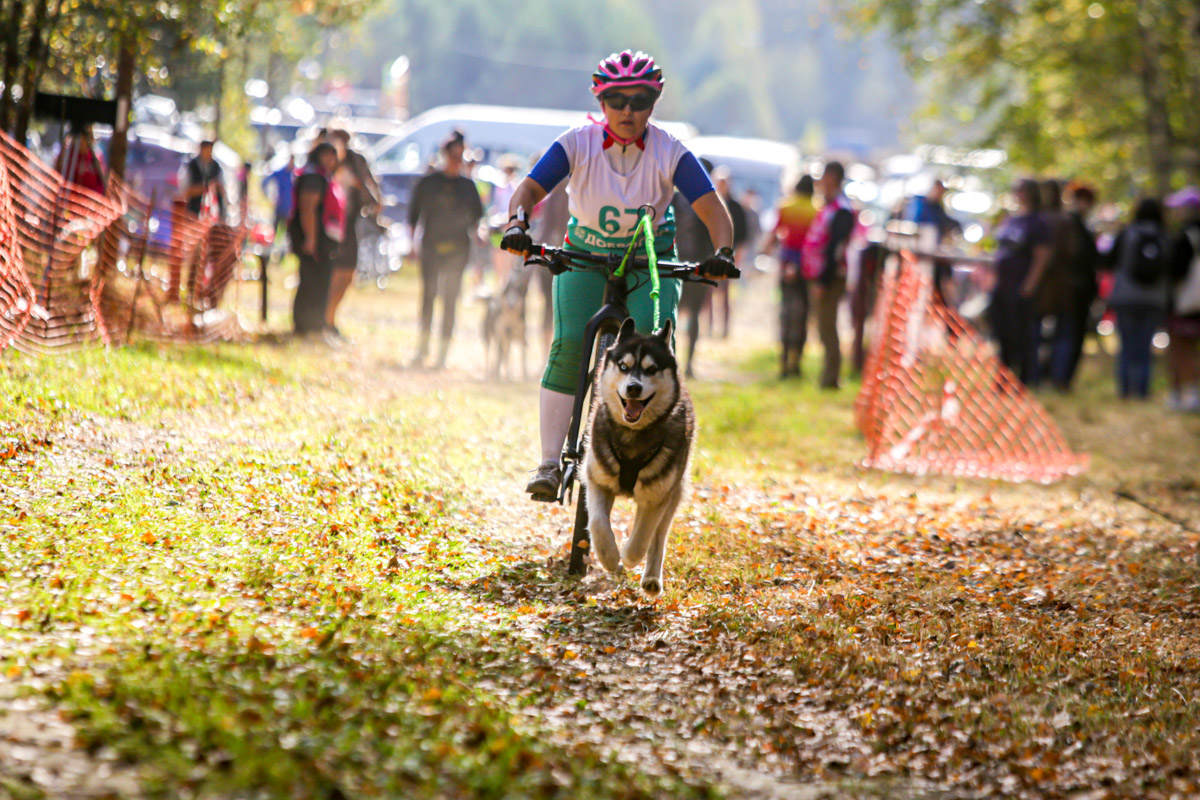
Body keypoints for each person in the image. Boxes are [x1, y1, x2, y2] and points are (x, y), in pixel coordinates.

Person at [499, 49, 737, 500]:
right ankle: (549, 463)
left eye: (640, 100)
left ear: (654, 102)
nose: (628, 110)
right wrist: (517, 225)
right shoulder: (577, 143)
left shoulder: (669, 149)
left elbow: (713, 210)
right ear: (600, 101)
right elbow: (528, 190)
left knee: (648, 346)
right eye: (617, 100)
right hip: (584, 255)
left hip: (651, 262)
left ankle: (646, 451)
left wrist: (723, 252)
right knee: (569, 346)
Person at [407, 130, 485, 368]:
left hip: (457, 250)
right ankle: (422, 349)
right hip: (431, 247)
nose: (456, 160)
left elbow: (477, 219)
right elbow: (414, 216)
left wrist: (480, 235)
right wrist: (412, 245)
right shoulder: (428, 183)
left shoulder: (468, 186)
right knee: (428, 297)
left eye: (460, 156)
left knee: (450, 299)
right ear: (445, 154)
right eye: (453, 155)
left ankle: (442, 354)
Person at [1105, 198, 1170, 399]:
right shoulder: (1165, 237)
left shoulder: (1127, 233)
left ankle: (1125, 390)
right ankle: (1142, 391)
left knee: (1126, 346)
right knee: (1144, 347)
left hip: (1126, 297)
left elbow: (1108, 261)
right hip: (1154, 299)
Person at [989, 178, 1052, 384]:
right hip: (1002, 285)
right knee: (1002, 334)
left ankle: (1025, 378)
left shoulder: (1038, 223)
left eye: (1022, 190)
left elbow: (1042, 256)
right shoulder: (1011, 219)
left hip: (1021, 286)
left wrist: (1029, 285)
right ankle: (1003, 378)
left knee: (1022, 335)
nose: (1018, 194)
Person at [803, 161, 856, 389]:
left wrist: (823, 280)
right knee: (823, 328)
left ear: (832, 177)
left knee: (828, 328)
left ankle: (831, 379)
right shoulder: (830, 205)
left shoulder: (842, 209)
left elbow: (836, 249)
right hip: (821, 275)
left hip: (830, 278)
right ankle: (828, 377)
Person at [326, 129, 383, 339]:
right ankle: (324, 319)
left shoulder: (356, 161)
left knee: (348, 274)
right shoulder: (325, 162)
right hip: (330, 226)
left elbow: (370, 186)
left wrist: (371, 197)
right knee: (333, 274)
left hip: (349, 224)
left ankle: (330, 318)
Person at [289, 142, 344, 337]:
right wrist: (311, 238)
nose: (331, 160)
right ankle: (308, 327)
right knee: (313, 282)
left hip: (323, 241)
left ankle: (312, 326)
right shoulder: (313, 177)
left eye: (333, 156)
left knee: (317, 281)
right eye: (326, 155)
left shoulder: (323, 176)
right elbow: (307, 207)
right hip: (314, 241)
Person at [766, 175, 817, 378]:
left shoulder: (785, 206)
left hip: (786, 264)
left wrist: (764, 251)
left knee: (786, 313)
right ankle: (797, 363)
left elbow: (774, 234)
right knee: (803, 315)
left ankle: (784, 361)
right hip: (806, 268)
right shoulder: (817, 210)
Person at [1033, 179, 1080, 389]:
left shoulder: (1041, 220)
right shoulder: (1063, 221)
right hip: (1058, 286)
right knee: (1060, 333)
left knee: (1038, 333)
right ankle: (1056, 378)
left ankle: (1036, 375)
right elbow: (1072, 251)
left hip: (1044, 285)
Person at [1057, 184, 1101, 390]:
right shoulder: (1068, 225)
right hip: (1069, 291)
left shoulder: (1084, 227)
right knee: (1067, 334)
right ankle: (1059, 378)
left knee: (1072, 335)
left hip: (1081, 292)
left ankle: (1063, 379)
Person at [1164, 187, 1200, 411]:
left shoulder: (1186, 236)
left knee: (1181, 347)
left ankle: (1186, 395)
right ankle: (1187, 394)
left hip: (1185, 302)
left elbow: (1176, 270)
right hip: (1194, 302)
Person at [709, 166, 747, 339]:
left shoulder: (736, 207)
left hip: (729, 256)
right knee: (708, 294)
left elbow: (742, 233)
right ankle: (708, 328)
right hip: (710, 254)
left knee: (725, 295)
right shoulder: (708, 204)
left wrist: (738, 254)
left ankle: (725, 329)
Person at [181, 139, 226, 220]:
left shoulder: (217, 167)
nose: (208, 153)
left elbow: (223, 188)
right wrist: (204, 188)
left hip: (213, 214)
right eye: (207, 149)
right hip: (193, 212)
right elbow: (185, 191)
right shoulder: (191, 166)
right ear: (201, 149)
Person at [55, 124, 106, 195]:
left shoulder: (95, 158)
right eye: (82, 137)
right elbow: (57, 176)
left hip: (90, 200)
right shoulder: (67, 155)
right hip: (68, 198)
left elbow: (102, 185)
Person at [262, 152, 295, 238]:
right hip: (280, 205)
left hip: (291, 208)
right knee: (275, 228)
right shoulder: (281, 172)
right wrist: (268, 196)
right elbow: (265, 181)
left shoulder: (294, 174)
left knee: (288, 231)